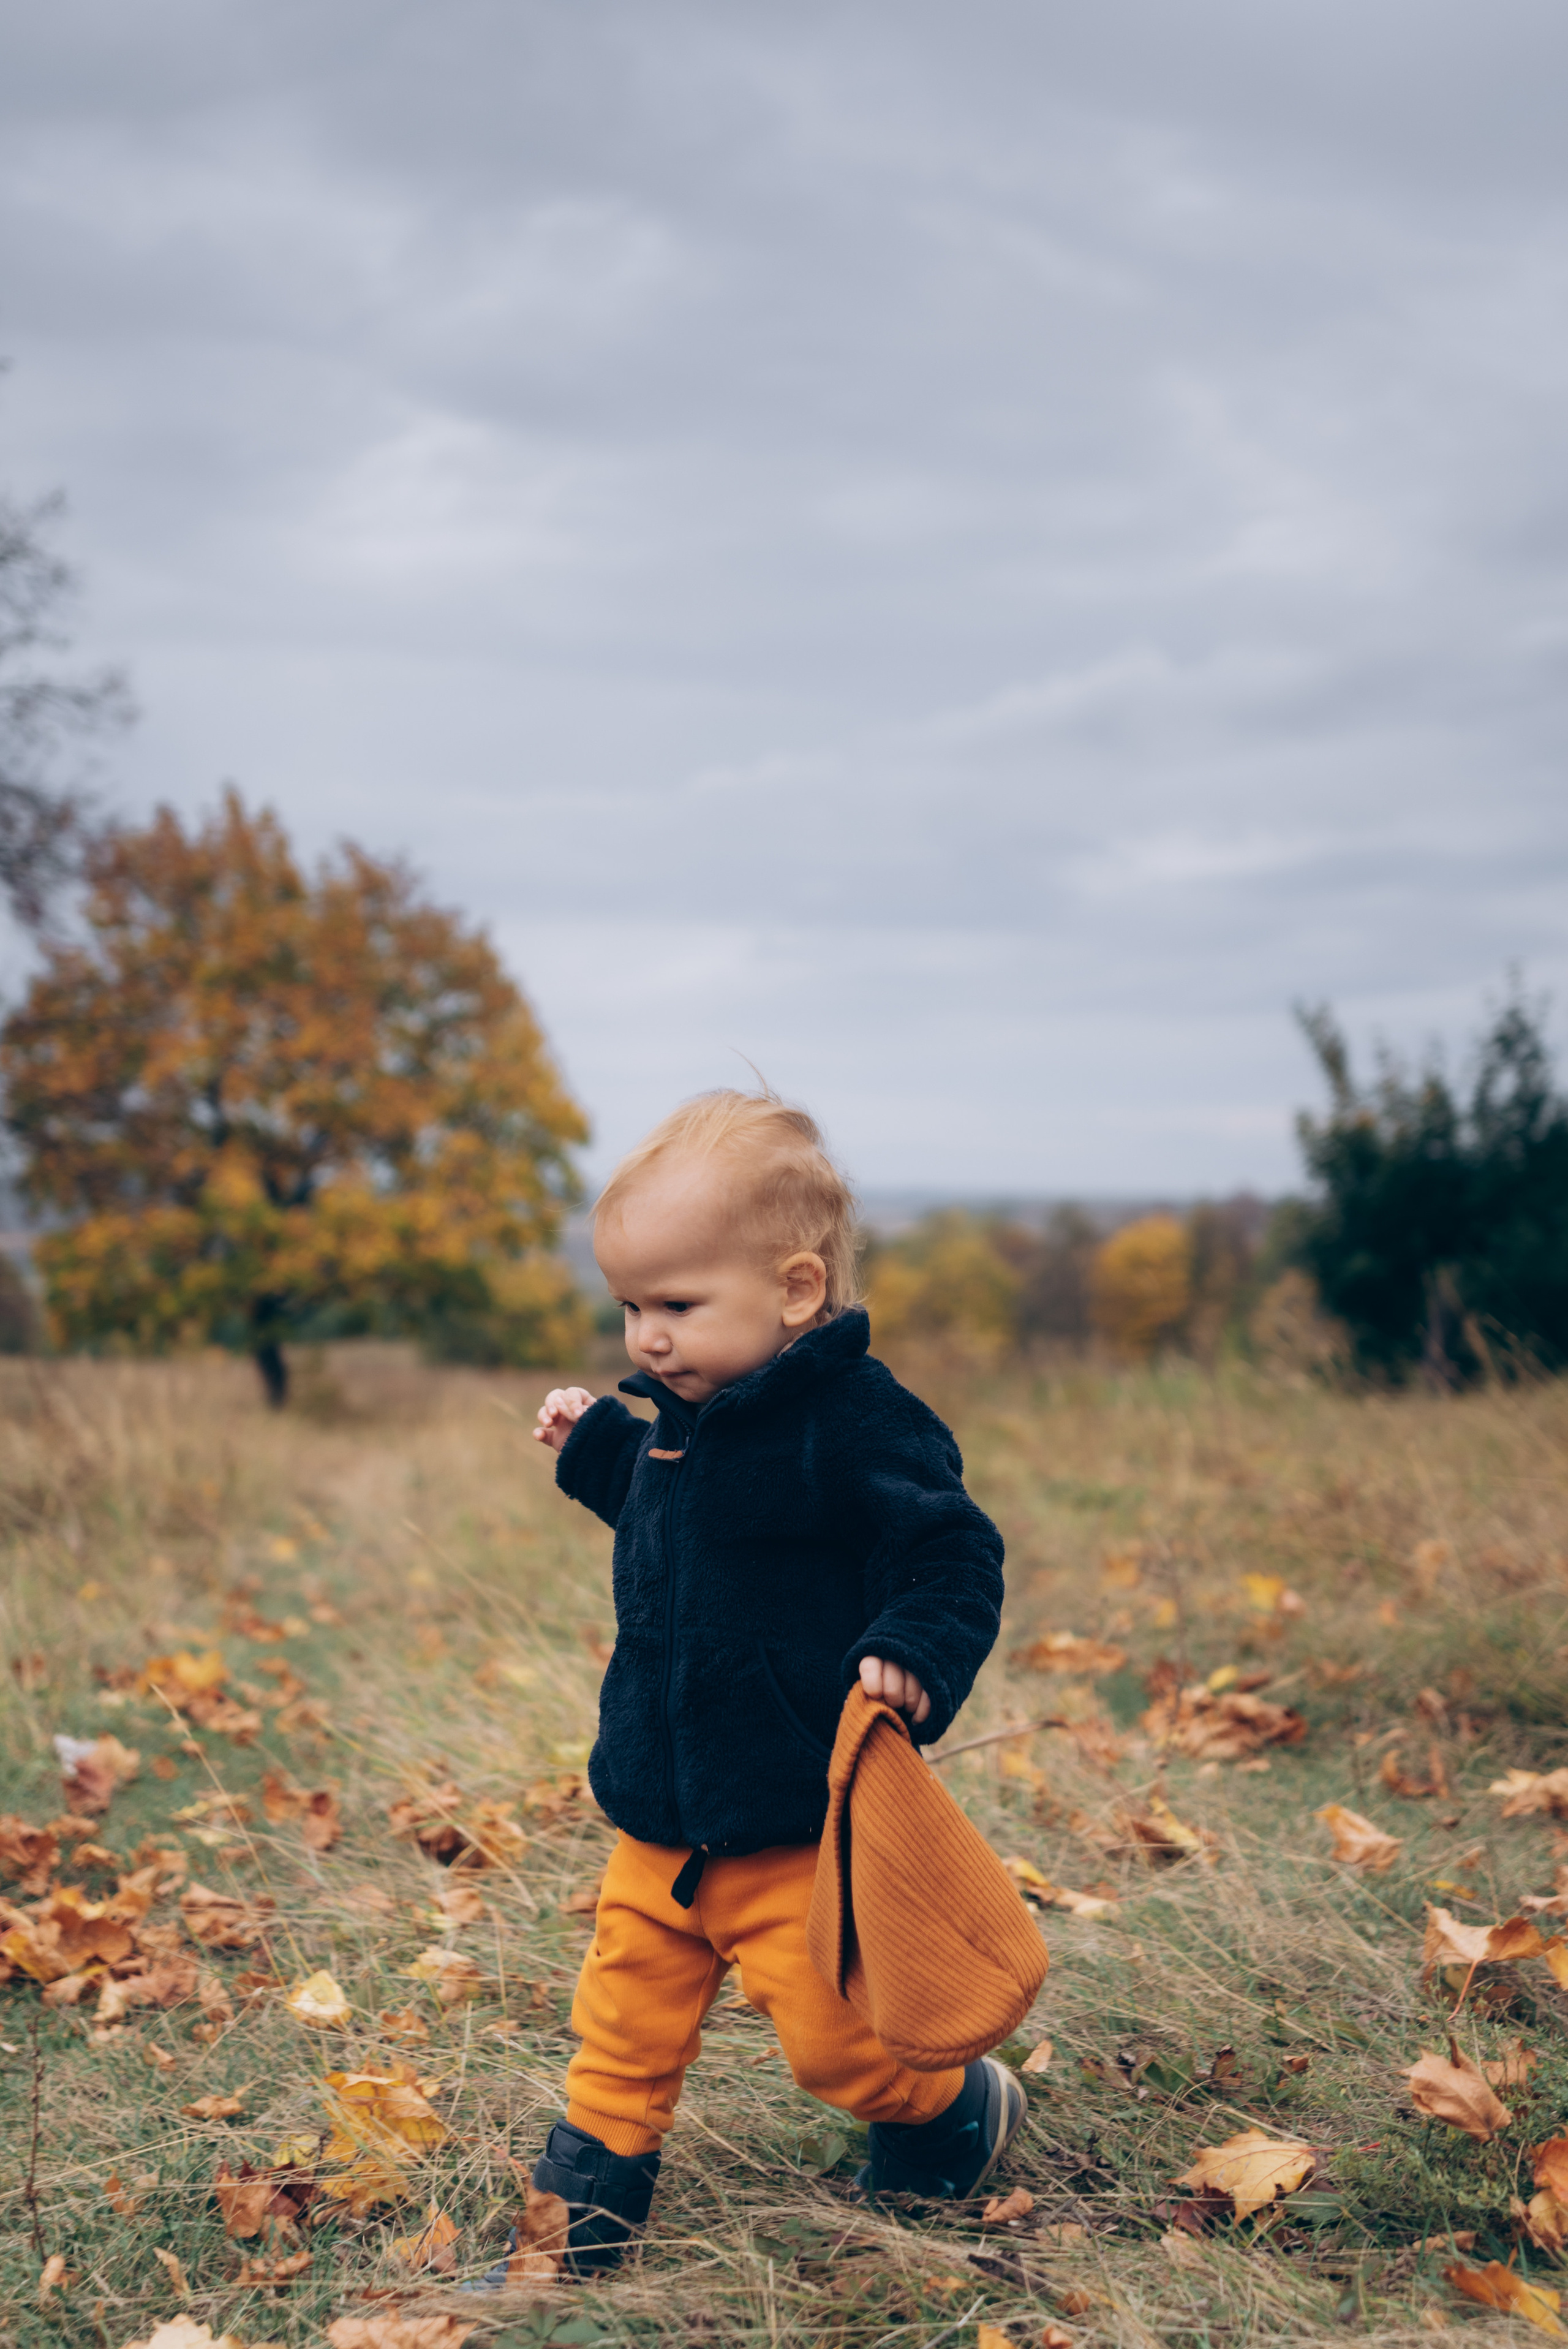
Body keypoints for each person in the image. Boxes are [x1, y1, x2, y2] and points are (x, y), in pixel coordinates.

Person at [522, 1088, 1016, 2275]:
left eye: (677, 1306)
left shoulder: (851, 1425)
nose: (646, 1336)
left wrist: (914, 1648)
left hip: (791, 1823)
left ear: (794, 1293)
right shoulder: (685, 1413)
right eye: (631, 1306)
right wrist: (595, 1440)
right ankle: (572, 2237)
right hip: (659, 1815)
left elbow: (951, 1550)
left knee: (835, 2051)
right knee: (616, 2035)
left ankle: (948, 2109)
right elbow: (660, 1510)